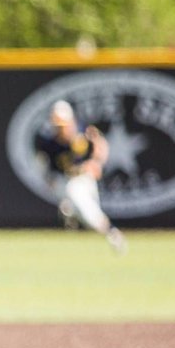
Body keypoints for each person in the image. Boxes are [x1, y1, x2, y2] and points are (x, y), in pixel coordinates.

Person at [34, 100, 126, 254]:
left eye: (63, 125)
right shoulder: (49, 142)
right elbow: (43, 164)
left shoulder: (84, 132)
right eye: (58, 126)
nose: (61, 129)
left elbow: (101, 145)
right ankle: (112, 233)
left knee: (85, 207)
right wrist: (47, 178)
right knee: (83, 207)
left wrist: (96, 163)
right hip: (67, 181)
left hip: (85, 178)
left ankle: (70, 210)